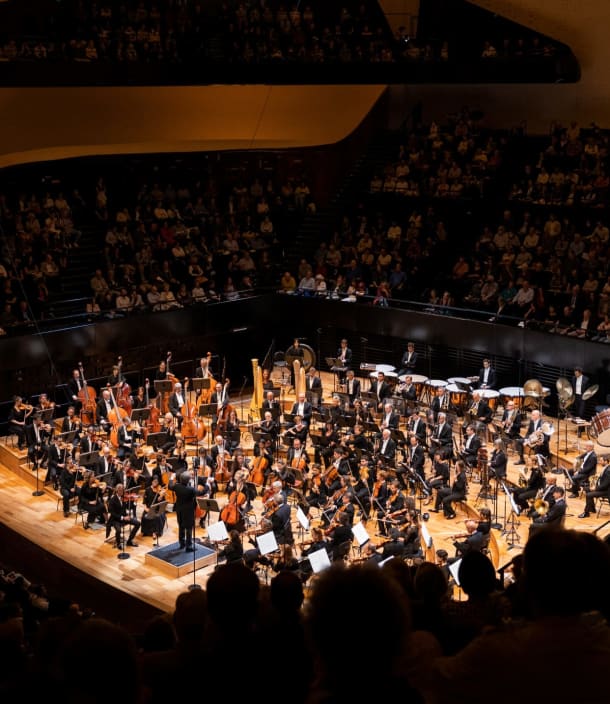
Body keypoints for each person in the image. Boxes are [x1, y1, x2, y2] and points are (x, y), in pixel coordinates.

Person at [169, 470, 204, 551]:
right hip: (188, 511)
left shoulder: (177, 486)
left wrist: (171, 478)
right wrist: (207, 487)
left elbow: (170, 486)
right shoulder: (190, 489)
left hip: (179, 510)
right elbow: (199, 493)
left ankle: (182, 543)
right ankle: (188, 546)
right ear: (188, 480)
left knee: (181, 526)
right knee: (188, 528)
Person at [106, 483, 141, 548]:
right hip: (115, 519)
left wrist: (134, 502)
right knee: (118, 530)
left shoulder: (124, 498)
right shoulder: (112, 500)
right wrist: (123, 517)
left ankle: (129, 541)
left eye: (123, 490)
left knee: (138, 523)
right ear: (117, 490)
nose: (122, 492)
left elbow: (128, 507)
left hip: (124, 517)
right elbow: (112, 513)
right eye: (120, 490)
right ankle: (118, 543)